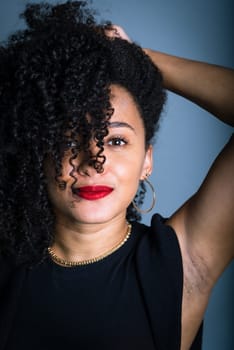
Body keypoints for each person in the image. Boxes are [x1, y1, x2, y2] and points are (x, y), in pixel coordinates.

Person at [0, 1, 233, 349]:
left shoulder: (182, 266)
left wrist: (137, 59)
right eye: (68, 140)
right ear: (39, 153)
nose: (94, 160)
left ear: (146, 161)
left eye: (117, 140)